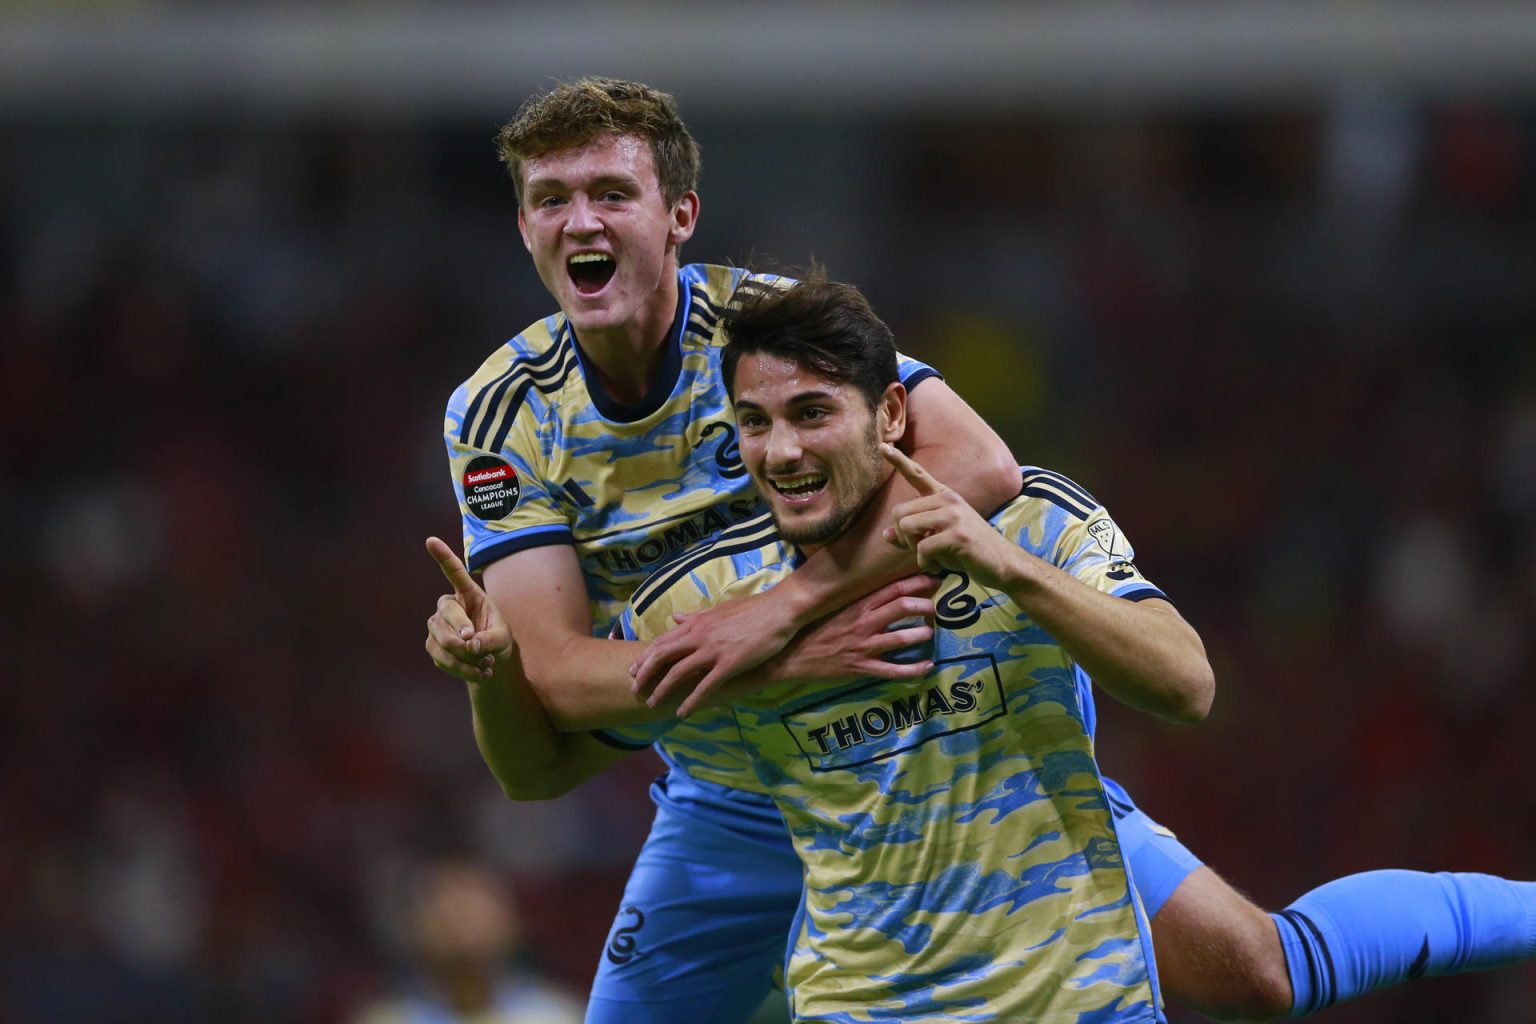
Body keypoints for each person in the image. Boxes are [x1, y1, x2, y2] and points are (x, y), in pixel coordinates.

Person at [425, 76, 1536, 1022]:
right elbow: (557, 681)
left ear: (679, 214)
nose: (580, 222)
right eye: (550, 199)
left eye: (611, 192)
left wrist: (787, 601)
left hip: (912, 729)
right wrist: (779, 654)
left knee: (1252, 971)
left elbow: (977, 469)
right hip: (729, 779)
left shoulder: (767, 331)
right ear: (521, 225)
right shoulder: (499, 414)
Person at [353, 858, 584, 1024]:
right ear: (414, 928)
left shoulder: (556, 1016)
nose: (462, 929)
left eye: (474, 912)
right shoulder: (387, 1018)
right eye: (447, 911)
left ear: (512, 925)